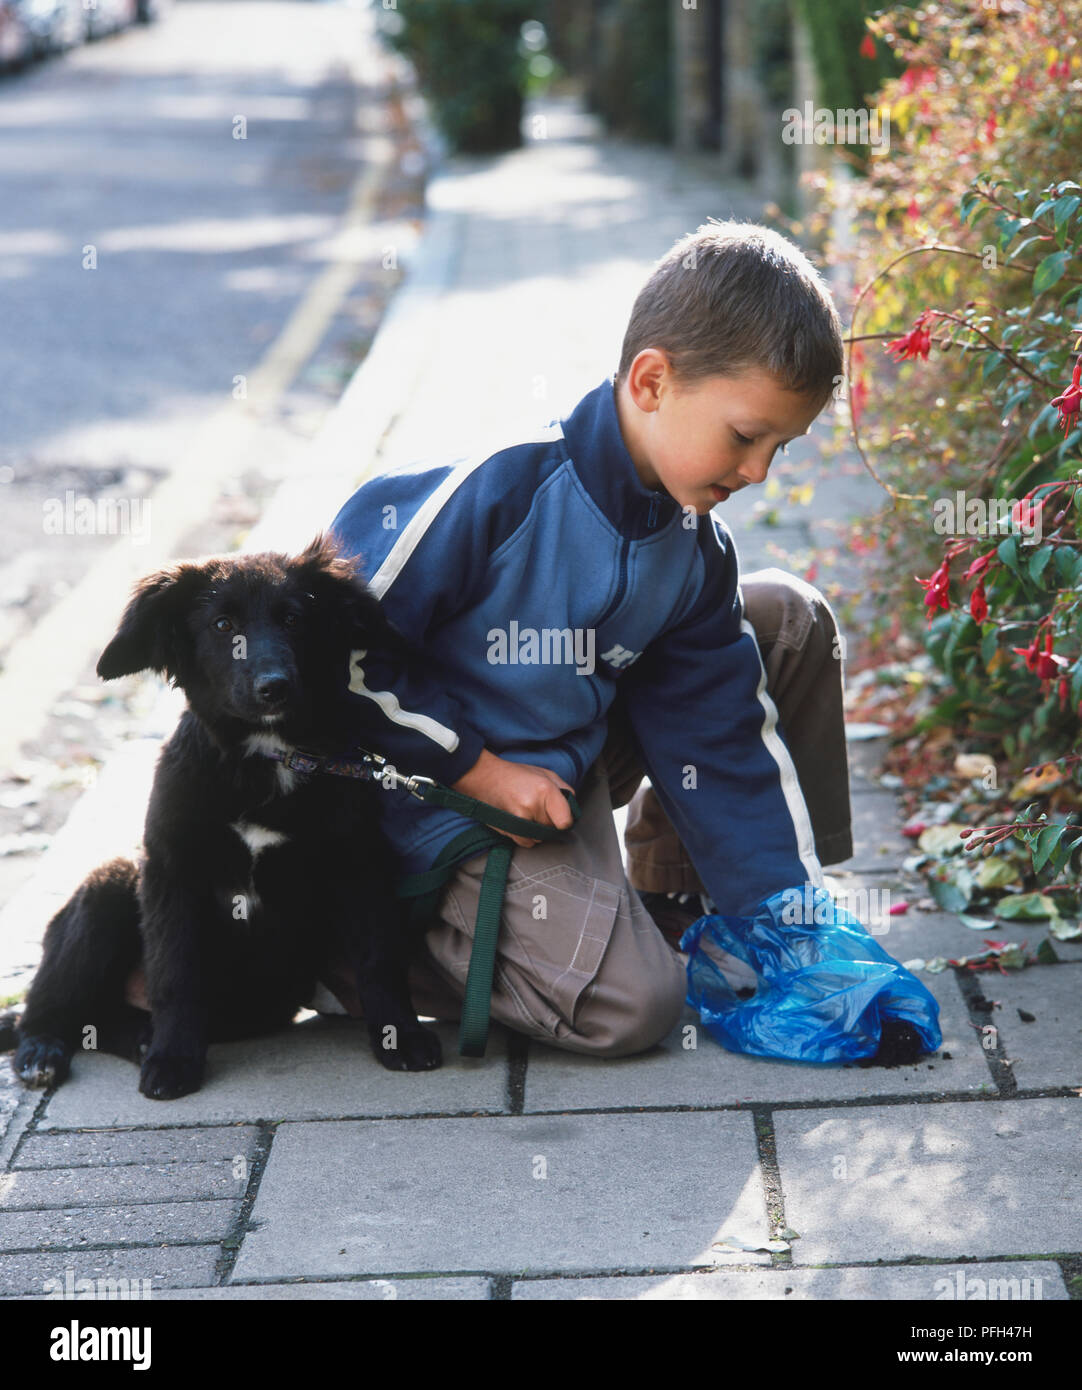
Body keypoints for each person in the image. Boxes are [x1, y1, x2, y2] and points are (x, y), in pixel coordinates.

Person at [326, 220, 854, 1057]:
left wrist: (789, 920)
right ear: (651, 381)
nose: (760, 473)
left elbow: (716, 734)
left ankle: (673, 902)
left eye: (780, 448)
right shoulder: (494, 493)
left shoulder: (693, 545)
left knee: (784, 619)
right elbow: (338, 654)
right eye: (746, 436)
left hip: (562, 771)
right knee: (636, 1010)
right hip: (431, 801)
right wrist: (478, 769)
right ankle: (350, 956)